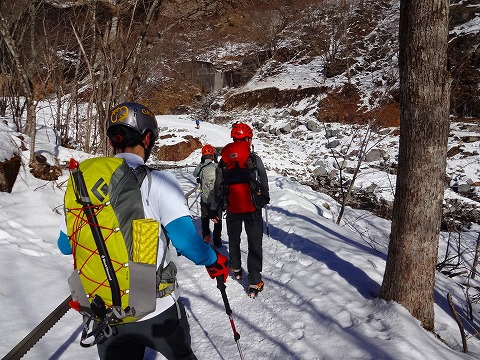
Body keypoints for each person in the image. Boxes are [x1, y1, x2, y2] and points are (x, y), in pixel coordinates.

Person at [57, 102, 228, 360]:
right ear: (147, 138)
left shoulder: (82, 184)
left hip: (106, 312)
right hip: (157, 308)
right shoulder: (157, 181)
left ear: (114, 139)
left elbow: (64, 245)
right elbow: (186, 242)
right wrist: (215, 260)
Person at [210, 122, 269, 298]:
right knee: (254, 244)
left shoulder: (225, 158)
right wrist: (263, 198)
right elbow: (263, 179)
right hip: (252, 208)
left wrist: (215, 208)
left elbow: (218, 185)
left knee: (234, 240)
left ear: (234, 138)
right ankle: (254, 282)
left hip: (232, 208)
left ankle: (235, 268)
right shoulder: (252, 157)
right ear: (248, 138)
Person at [192, 144, 223, 247]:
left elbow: (194, 174)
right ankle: (217, 240)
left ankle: (206, 236)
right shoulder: (216, 167)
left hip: (204, 199)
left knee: (205, 218)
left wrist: (201, 164)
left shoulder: (201, 167)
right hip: (216, 199)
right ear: (213, 156)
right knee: (218, 219)